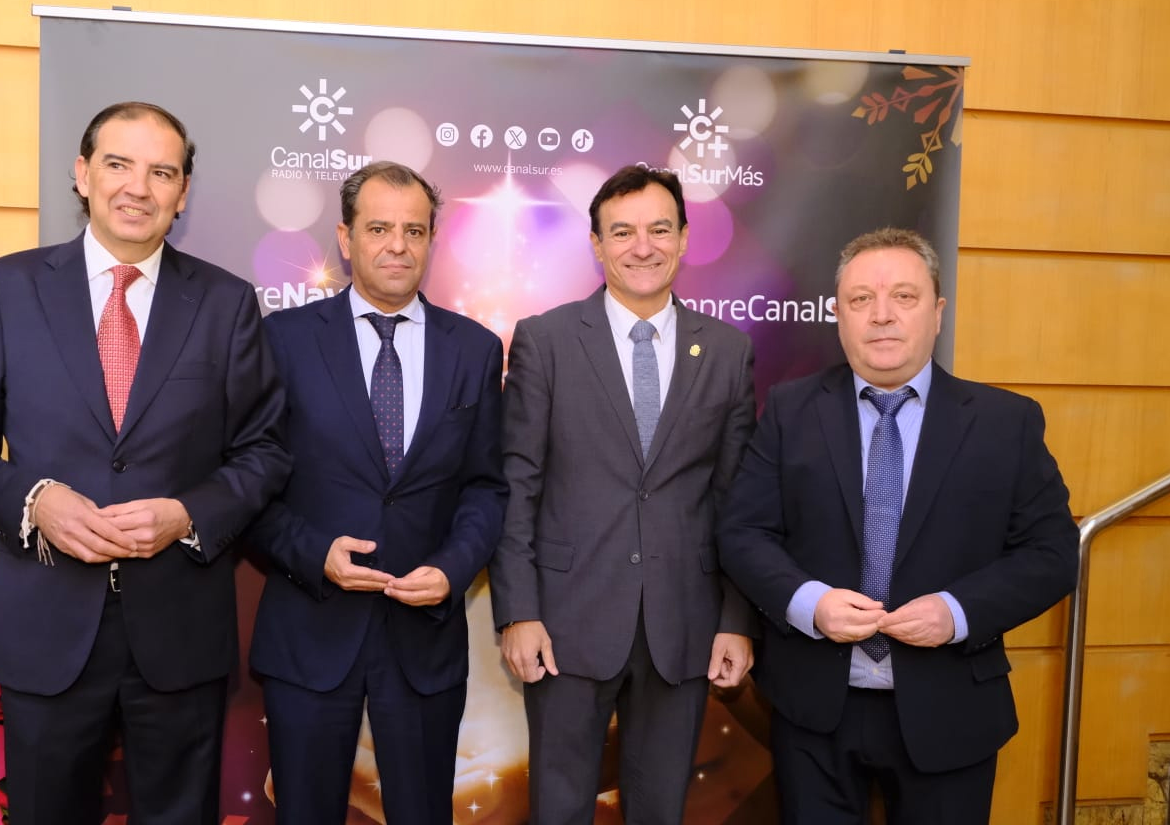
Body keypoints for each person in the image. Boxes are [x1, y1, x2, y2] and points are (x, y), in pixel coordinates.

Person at [0, 101, 290, 825]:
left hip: (179, 628)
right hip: (46, 625)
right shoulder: (8, 287)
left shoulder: (226, 302)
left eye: (162, 172)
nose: (138, 188)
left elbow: (266, 449)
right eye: (118, 164)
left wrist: (187, 514)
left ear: (183, 192)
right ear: (83, 173)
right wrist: (37, 501)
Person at [717, 227, 1079, 824]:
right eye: (861, 299)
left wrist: (957, 613)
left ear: (937, 312)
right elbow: (742, 532)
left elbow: (1052, 553)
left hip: (952, 708)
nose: (881, 315)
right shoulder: (790, 410)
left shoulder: (1005, 422)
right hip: (814, 711)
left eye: (904, 297)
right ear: (839, 316)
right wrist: (810, 603)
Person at [490, 164, 758, 824]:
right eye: (623, 231)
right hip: (565, 624)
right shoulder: (546, 341)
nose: (643, 247)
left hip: (684, 626)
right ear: (597, 243)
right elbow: (517, 484)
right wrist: (517, 612)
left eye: (659, 230)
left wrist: (735, 620)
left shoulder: (727, 352)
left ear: (684, 239)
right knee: (559, 810)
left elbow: (737, 501)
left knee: (660, 810)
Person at [246, 160, 507, 824]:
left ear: (431, 241)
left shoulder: (475, 350)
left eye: (414, 231)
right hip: (309, 632)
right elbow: (247, 483)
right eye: (379, 228)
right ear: (345, 237)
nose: (398, 245)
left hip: (423, 641)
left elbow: (485, 486)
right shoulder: (282, 341)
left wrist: (452, 570)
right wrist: (315, 554)